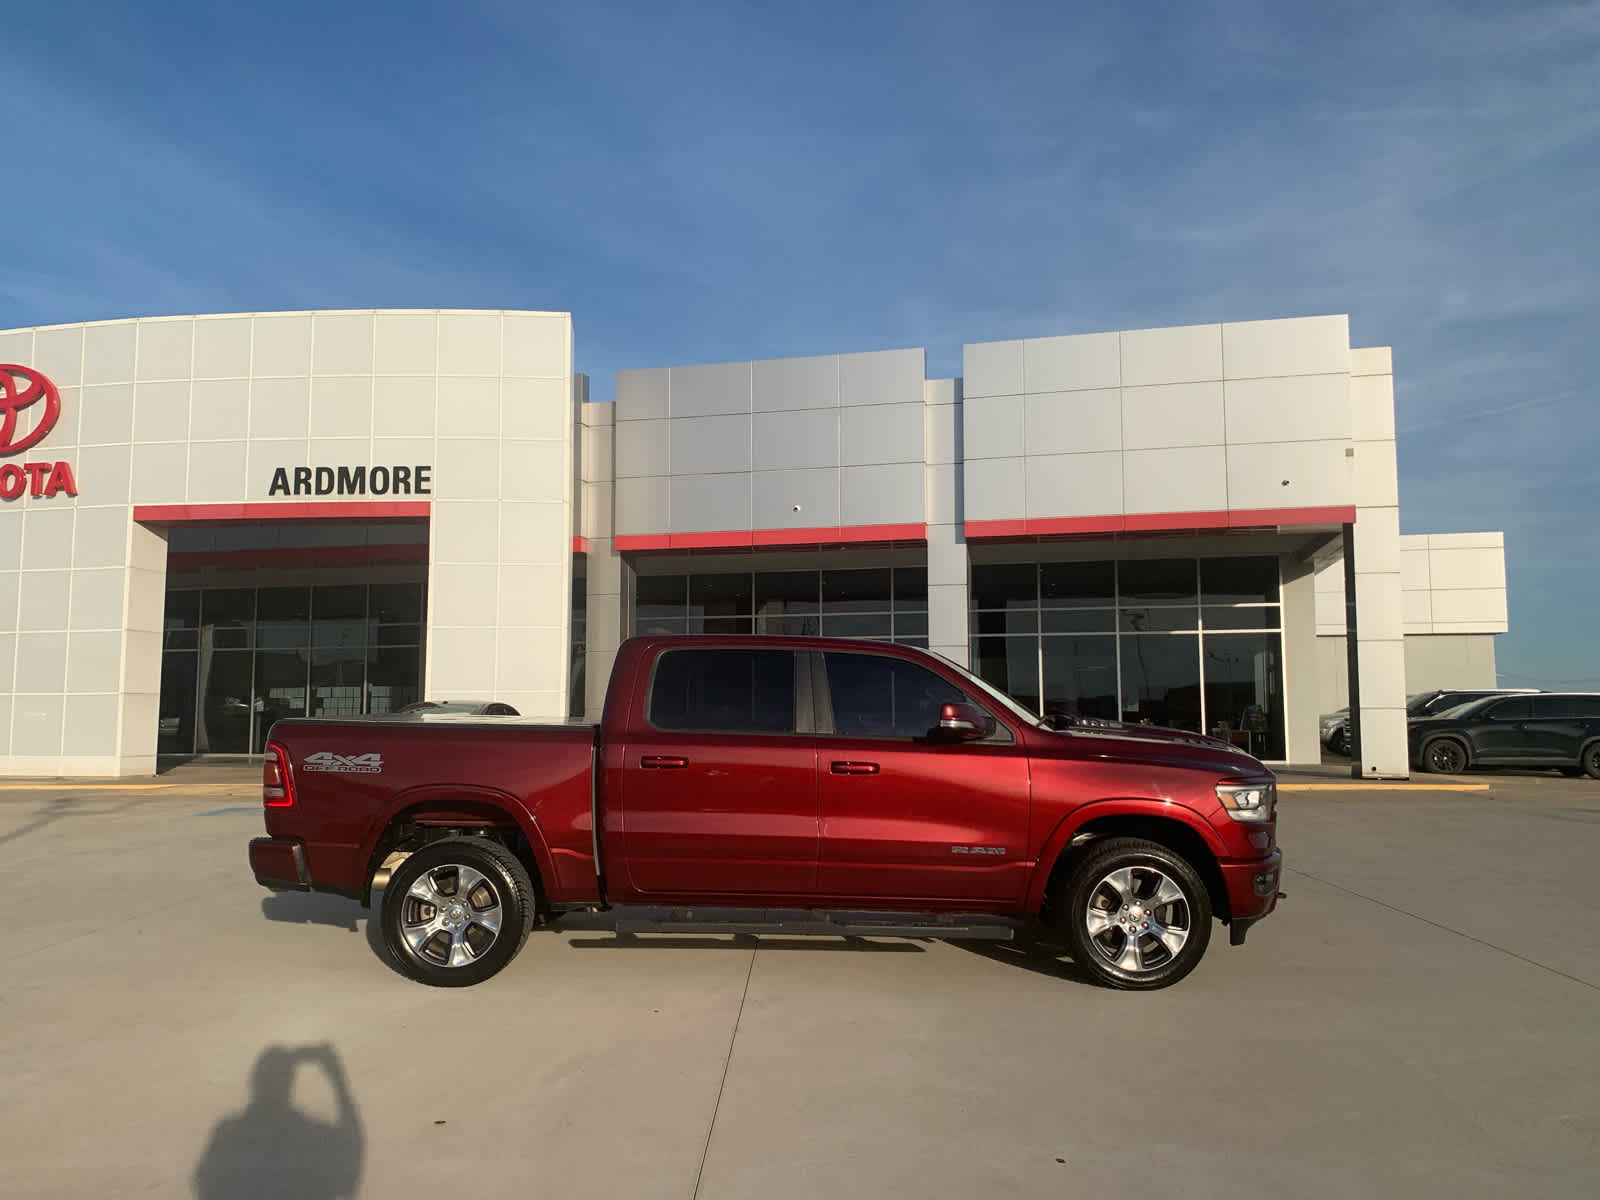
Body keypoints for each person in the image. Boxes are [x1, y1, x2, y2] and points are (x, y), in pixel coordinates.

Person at [194, 1044, 363, 1199]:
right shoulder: (308, 1138)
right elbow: (348, 1171)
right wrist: (337, 1078)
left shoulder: (231, 1136)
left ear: (254, 1081)